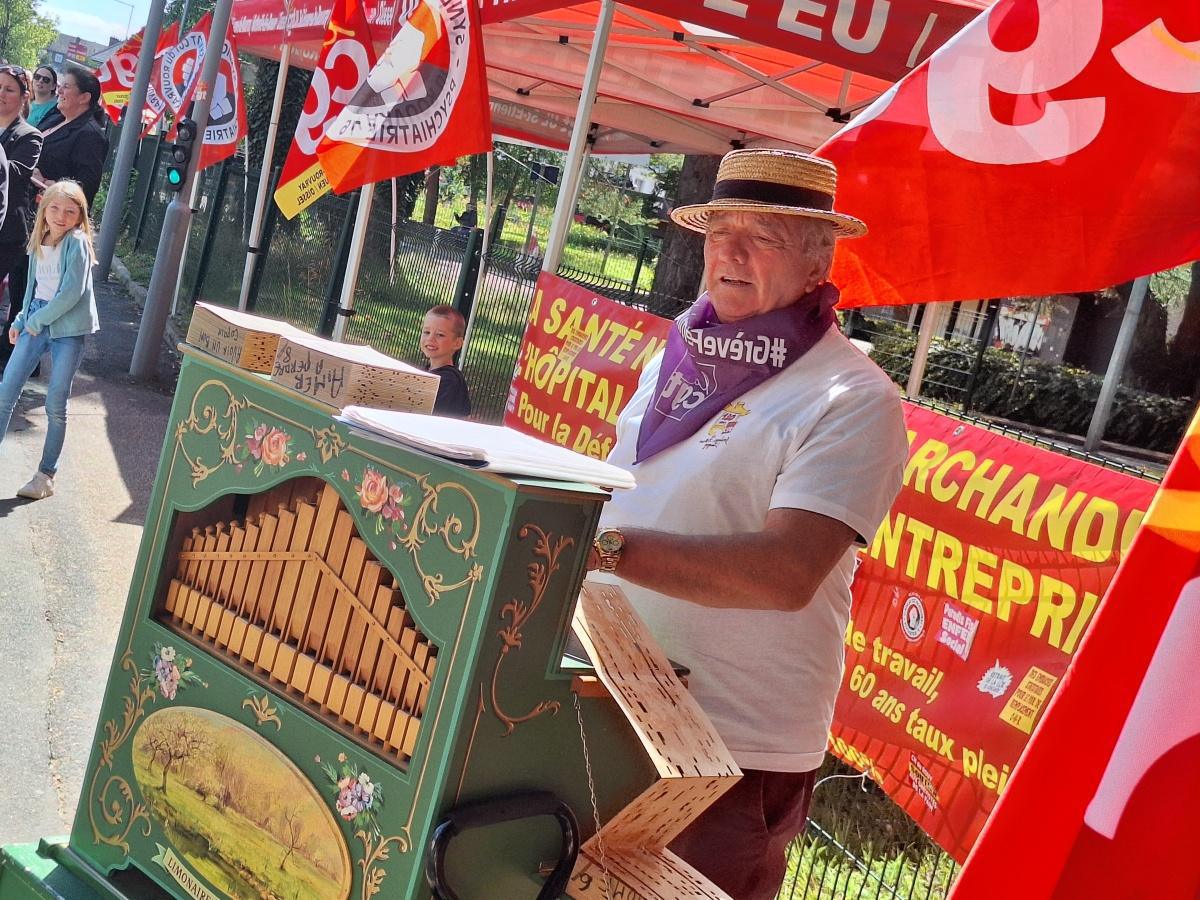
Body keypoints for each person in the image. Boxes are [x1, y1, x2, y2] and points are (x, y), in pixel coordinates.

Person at [588, 148, 909, 899]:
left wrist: (598, 548)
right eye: (718, 230)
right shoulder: (678, 354)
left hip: (731, 746)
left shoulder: (850, 397)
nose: (729, 252)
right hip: (615, 699)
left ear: (816, 262)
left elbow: (784, 571)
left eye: (762, 236)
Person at [0, 180, 98, 500]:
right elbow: (34, 287)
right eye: (54, 208)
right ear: (44, 208)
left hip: (66, 328)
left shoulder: (78, 242)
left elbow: (72, 293)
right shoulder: (39, 237)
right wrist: (20, 319)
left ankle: (45, 476)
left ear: (79, 216)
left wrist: (36, 321)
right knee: (5, 393)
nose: (60, 216)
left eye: (70, 211)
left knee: (56, 404)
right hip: (36, 319)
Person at [0, 65, 43, 367]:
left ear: (24, 97)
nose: (1, 94)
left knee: (15, 296)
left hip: (8, 230)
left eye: (9, 89)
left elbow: (14, 175)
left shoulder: (30, 135)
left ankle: (10, 355)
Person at [32, 66, 108, 206]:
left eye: (66, 87)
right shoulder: (55, 118)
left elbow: (85, 188)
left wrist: (45, 183)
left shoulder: (90, 135)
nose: (59, 91)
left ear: (84, 97)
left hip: (48, 214)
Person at [419, 305, 470, 417]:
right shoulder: (425, 371)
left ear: (457, 343)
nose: (430, 339)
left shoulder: (449, 381)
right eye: (426, 332)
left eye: (440, 335)